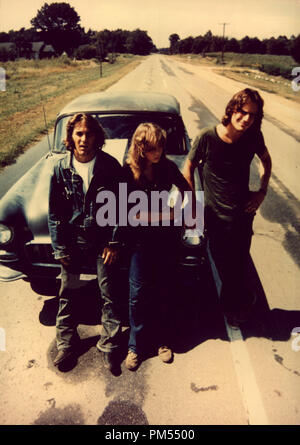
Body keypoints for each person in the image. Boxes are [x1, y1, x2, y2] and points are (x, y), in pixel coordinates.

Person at [183, 88, 272, 327]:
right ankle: (231, 310)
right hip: (215, 217)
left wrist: (261, 192)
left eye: (252, 115)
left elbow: (266, 160)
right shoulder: (207, 137)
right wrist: (193, 205)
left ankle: (236, 303)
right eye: (243, 112)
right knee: (224, 266)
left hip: (243, 216)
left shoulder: (253, 137)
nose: (246, 119)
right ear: (232, 109)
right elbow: (188, 167)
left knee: (239, 263)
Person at [48, 113, 123, 373]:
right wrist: (60, 248)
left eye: (88, 133)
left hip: (103, 242)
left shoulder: (110, 167)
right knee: (68, 292)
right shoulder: (60, 169)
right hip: (73, 242)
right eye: (78, 134)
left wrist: (113, 242)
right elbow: (55, 212)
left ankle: (110, 346)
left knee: (109, 294)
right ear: (70, 137)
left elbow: (120, 208)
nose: (83, 139)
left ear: (97, 137)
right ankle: (66, 344)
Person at [123, 122, 193, 371]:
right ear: (140, 147)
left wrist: (180, 211)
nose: (158, 152)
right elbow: (131, 215)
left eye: (160, 147)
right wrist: (168, 215)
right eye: (152, 148)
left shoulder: (167, 167)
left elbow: (186, 189)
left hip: (166, 242)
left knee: (164, 291)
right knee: (138, 296)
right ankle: (135, 346)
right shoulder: (129, 172)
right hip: (140, 245)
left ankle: (163, 342)